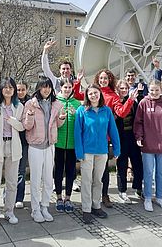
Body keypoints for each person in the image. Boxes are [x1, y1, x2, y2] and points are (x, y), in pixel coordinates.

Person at [74, 69, 135, 208]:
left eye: (106, 78)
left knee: (102, 175)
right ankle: (87, 207)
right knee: (88, 178)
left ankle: (103, 197)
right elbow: (78, 95)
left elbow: (121, 113)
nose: (103, 81)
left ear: (110, 80)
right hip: (88, 143)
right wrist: (78, 81)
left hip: (103, 141)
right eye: (101, 78)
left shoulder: (113, 97)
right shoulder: (85, 105)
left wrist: (130, 100)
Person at [74, 84, 120, 224]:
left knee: (98, 180)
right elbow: (77, 133)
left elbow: (113, 131)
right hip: (87, 152)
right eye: (90, 93)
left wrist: (117, 149)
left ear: (100, 94)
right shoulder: (82, 111)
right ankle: (86, 209)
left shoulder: (106, 111)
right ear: (87, 96)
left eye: (95, 93)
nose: (93, 95)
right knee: (86, 181)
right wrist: (79, 152)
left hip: (102, 151)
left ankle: (96, 205)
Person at [23, 76, 65, 223]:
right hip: (35, 146)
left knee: (48, 178)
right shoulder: (31, 104)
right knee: (35, 179)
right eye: (43, 86)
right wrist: (30, 115)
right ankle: (35, 209)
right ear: (38, 88)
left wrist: (62, 118)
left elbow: (58, 125)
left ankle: (45, 206)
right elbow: (27, 126)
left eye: (48, 87)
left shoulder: (56, 104)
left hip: (50, 145)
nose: (46, 89)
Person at [134, 80, 162, 212]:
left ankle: (159, 197)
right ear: (149, 90)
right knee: (148, 172)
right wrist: (139, 137)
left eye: (157, 90)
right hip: (148, 144)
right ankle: (148, 197)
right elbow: (138, 122)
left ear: (161, 90)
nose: (154, 93)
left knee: (161, 173)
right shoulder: (143, 103)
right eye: (152, 90)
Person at [0, 78, 24, 227]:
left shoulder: (19, 106)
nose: (8, 90)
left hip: (13, 145)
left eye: (11, 87)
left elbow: (22, 127)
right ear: (1, 90)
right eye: (5, 87)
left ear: (14, 90)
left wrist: (13, 121)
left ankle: (9, 211)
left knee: (12, 182)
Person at [55, 78, 81, 213]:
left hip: (72, 143)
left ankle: (68, 197)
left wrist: (75, 115)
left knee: (71, 171)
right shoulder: (56, 102)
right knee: (58, 170)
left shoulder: (77, 103)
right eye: (65, 87)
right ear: (61, 88)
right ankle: (59, 197)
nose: (67, 90)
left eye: (69, 87)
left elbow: (82, 123)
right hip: (58, 143)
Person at [115, 79, 142, 204]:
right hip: (121, 137)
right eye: (121, 88)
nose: (124, 91)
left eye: (125, 88)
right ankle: (122, 190)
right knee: (122, 164)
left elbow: (138, 118)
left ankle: (138, 188)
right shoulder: (116, 102)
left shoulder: (133, 102)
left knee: (137, 162)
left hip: (132, 135)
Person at [15, 81, 30, 208]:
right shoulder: (11, 102)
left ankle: (19, 197)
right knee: (10, 170)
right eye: (18, 90)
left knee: (21, 170)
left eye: (22, 89)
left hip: (25, 141)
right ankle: (8, 195)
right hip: (12, 140)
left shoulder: (31, 103)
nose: (20, 92)